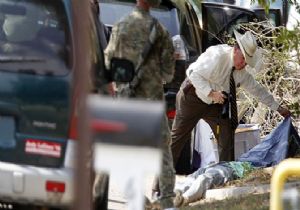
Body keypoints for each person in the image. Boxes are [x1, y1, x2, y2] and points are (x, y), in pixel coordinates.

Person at [171, 30, 291, 166]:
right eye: (244, 59)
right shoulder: (217, 55)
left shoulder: (242, 73)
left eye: (248, 61)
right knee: (178, 139)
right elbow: (193, 74)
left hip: (215, 103)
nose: (244, 64)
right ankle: (159, 184)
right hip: (192, 98)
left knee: (226, 136)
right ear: (236, 50)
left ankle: (224, 174)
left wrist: (278, 108)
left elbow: (258, 90)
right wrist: (211, 93)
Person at [104, 0, 176, 209]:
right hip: (152, 99)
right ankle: (167, 200)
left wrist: (117, 84)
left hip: (127, 98)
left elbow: (108, 61)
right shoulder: (160, 30)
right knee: (163, 148)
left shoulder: (121, 25)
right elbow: (169, 72)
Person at [173, 161, 255, 207]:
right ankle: (173, 195)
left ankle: (183, 199)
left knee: (204, 178)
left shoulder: (255, 162)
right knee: (190, 178)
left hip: (229, 168)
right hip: (215, 165)